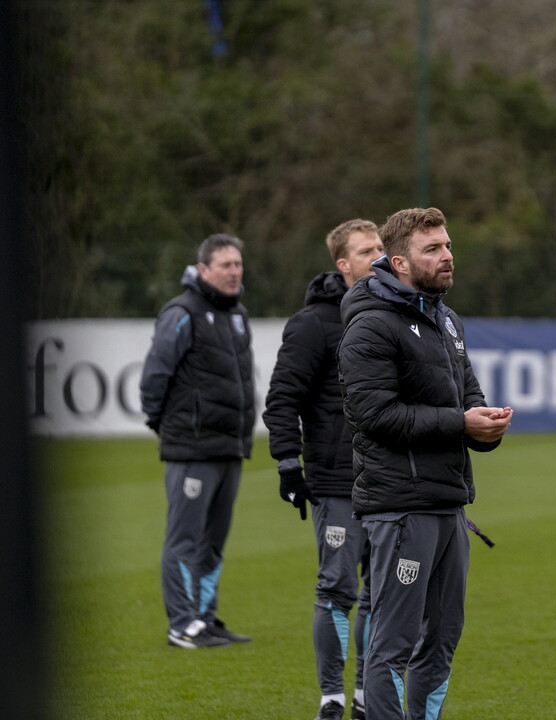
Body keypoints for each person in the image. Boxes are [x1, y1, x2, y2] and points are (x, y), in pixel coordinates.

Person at [337, 207, 513, 720]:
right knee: (391, 646)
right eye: (432, 249)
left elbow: (468, 397)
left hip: (449, 506)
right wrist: (461, 423)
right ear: (399, 261)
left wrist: (488, 426)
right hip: (400, 508)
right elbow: (373, 414)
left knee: (441, 643)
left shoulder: (446, 319)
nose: (447, 256)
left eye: (448, 245)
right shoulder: (370, 325)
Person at [263, 219, 384, 720]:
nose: (378, 255)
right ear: (343, 263)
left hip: (390, 481)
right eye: (366, 250)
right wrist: (289, 465)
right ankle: (331, 698)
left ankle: (364, 696)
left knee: (381, 595)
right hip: (336, 481)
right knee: (337, 590)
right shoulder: (313, 323)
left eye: (381, 247)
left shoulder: (395, 312)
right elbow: (281, 399)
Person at [140, 233, 255, 649]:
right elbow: (155, 375)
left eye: (238, 264)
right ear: (203, 270)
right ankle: (181, 623)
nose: (234, 272)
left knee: (213, 541)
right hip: (192, 448)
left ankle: (204, 618)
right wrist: (164, 424)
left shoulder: (238, 313)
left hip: (229, 446)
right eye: (225, 265)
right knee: (184, 539)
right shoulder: (182, 311)